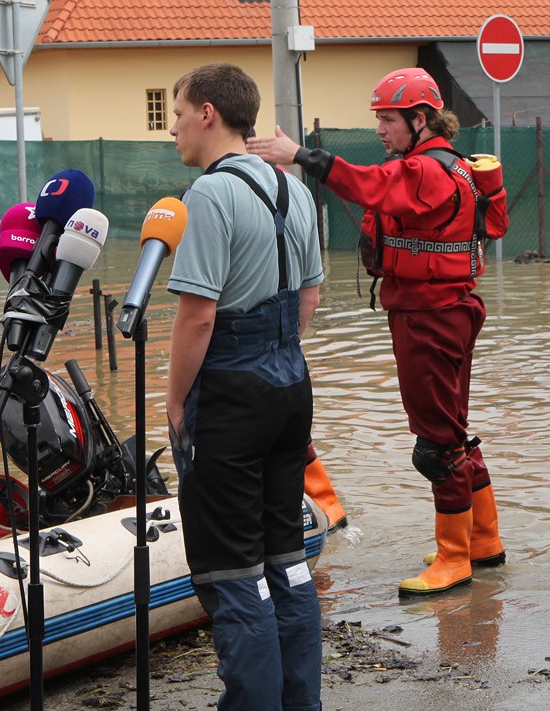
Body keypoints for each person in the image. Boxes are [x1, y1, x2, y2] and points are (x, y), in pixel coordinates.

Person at [247, 68, 505, 597]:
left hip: (430, 315)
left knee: (436, 445)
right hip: (444, 308)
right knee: (451, 430)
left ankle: (454, 559)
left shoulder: (428, 171)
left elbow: (369, 185)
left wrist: (299, 155)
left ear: (420, 119)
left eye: (388, 119)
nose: (381, 130)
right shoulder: (452, 166)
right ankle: (483, 542)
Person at [165, 62, 324, 711]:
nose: (171, 127)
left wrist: (176, 400)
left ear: (208, 112)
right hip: (290, 384)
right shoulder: (295, 189)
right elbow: (309, 294)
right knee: (285, 560)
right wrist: (277, 350)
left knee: (233, 574)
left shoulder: (206, 195)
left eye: (176, 112)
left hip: (230, 392)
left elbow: (197, 314)